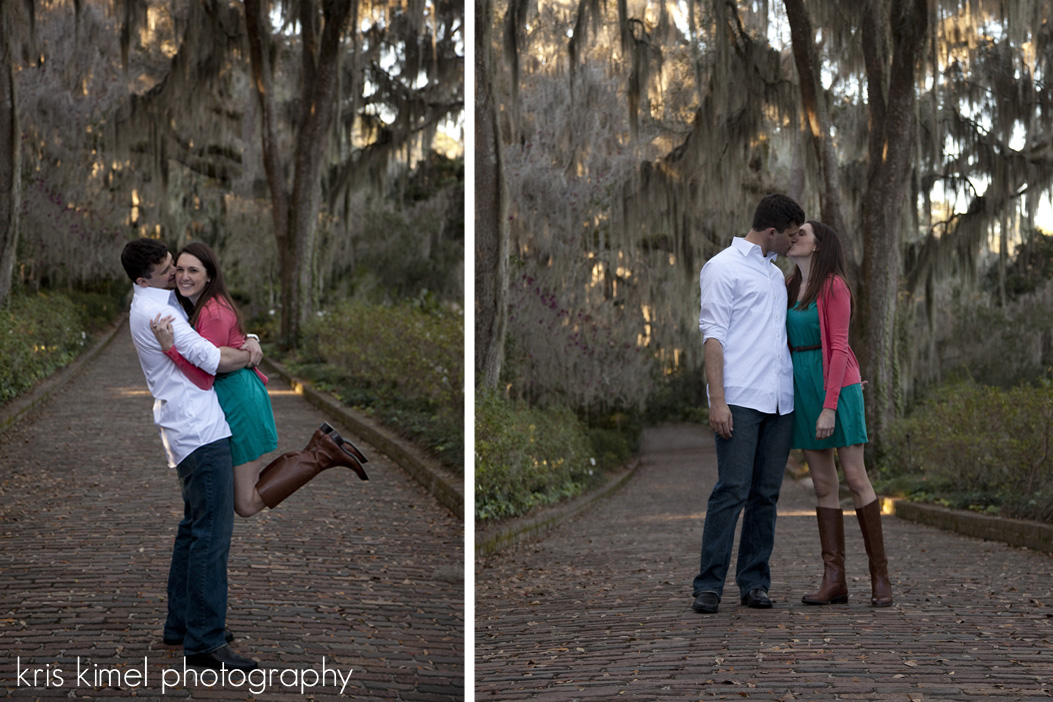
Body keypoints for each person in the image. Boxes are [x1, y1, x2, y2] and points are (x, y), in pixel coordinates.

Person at [121, 237, 260, 672]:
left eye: (177, 267)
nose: (176, 277)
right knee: (211, 537)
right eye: (167, 271)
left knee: (193, 529)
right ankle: (204, 643)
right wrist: (251, 352)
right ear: (145, 279)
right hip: (200, 431)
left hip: (185, 430)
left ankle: (181, 624)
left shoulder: (149, 301)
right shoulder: (159, 310)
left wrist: (247, 336)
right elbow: (212, 360)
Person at [150, 242, 368, 518]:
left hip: (239, 400)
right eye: (180, 269)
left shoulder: (212, 311)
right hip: (235, 395)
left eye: (193, 270)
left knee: (246, 503)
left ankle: (321, 455)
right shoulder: (199, 305)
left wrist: (169, 349)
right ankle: (318, 448)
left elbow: (206, 375)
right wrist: (250, 338)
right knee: (246, 491)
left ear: (209, 275)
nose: (184, 276)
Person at [691, 193, 805, 614]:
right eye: (790, 237)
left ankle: (754, 582)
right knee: (732, 490)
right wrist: (717, 401)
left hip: (781, 402)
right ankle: (708, 585)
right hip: (738, 399)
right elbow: (713, 336)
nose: (793, 243)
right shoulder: (722, 267)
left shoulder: (776, 277)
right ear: (771, 232)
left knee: (766, 495)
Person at [784, 220, 892, 607]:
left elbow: (840, 347)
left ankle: (880, 577)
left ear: (818, 245)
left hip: (837, 387)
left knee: (855, 478)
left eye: (801, 234)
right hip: (803, 388)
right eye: (792, 234)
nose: (793, 238)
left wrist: (830, 407)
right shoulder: (789, 286)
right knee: (824, 485)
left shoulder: (834, 286)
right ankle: (835, 580)